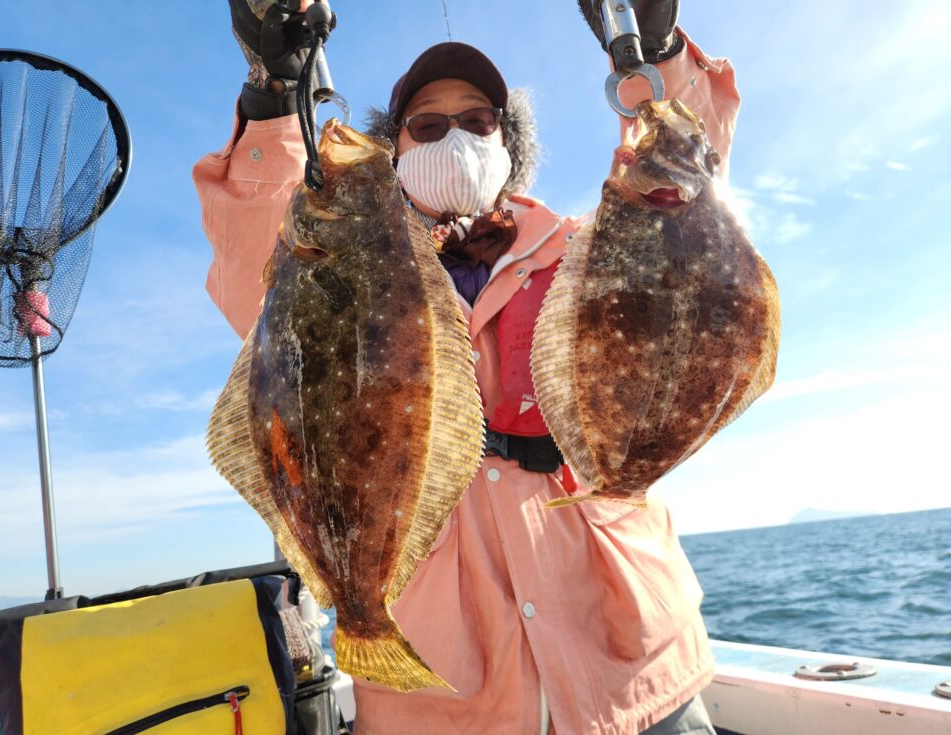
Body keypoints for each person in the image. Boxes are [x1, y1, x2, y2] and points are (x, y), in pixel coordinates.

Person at [194, 2, 741, 733]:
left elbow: (686, 182)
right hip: (442, 698)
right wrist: (274, 99)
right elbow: (251, 252)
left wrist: (655, 52)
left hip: (635, 669)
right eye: (427, 126)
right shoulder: (330, 265)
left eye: (478, 122)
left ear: (507, 141)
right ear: (393, 150)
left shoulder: (587, 248)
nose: (455, 136)